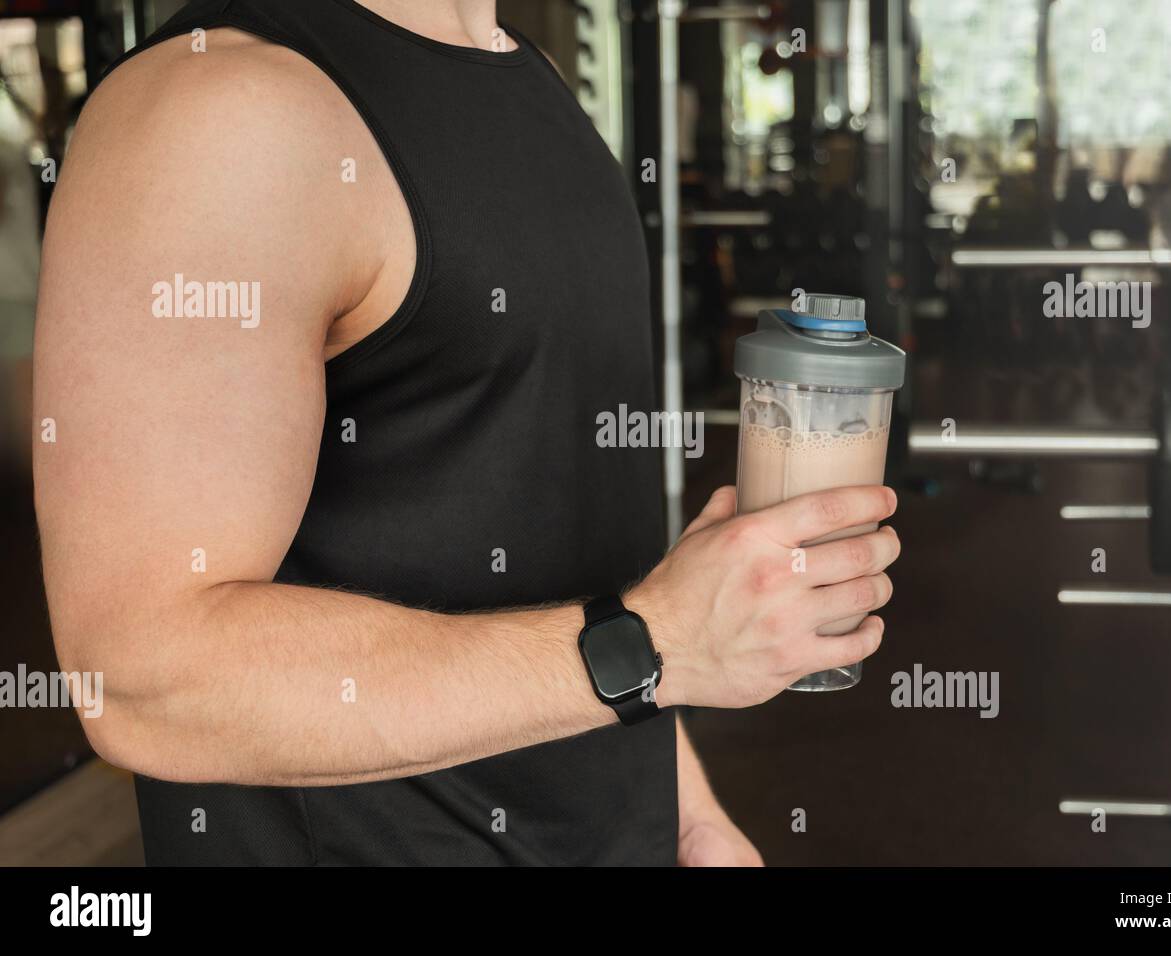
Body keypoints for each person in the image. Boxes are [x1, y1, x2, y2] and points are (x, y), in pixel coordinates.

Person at [33, 0, 899, 866]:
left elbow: (550, 554)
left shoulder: (524, 72)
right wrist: (657, 644)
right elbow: (148, 678)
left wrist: (683, 806)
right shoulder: (222, 106)